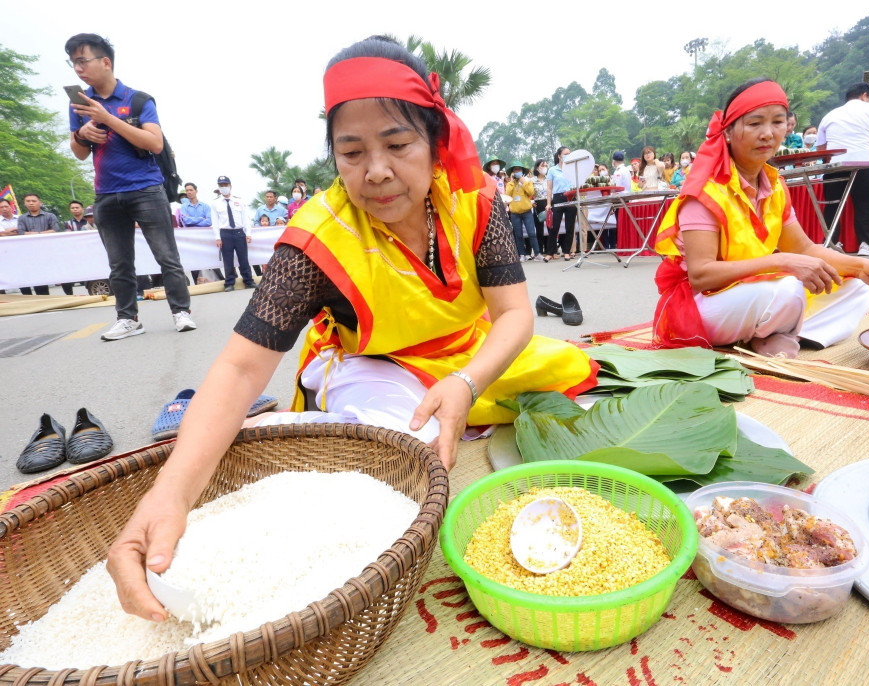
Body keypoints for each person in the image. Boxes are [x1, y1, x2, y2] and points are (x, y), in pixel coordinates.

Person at [105, 35, 597, 622]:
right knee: (404, 455)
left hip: (469, 357)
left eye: (397, 143)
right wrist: (169, 495)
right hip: (377, 364)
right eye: (352, 151)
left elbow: (515, 315)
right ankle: (287, 424)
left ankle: (426, 403)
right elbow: (240, 366)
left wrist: (466, 383)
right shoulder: (316, 240)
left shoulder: (477, 203)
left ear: (435, 142)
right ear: (333, 155)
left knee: (569, 370)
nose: (378, 171)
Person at [652, 78, 869, 358]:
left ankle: (775, 333)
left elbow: (804, 249)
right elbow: (701, 276)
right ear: (727, 132)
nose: (767, 134)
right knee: (787, 287)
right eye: (754, 124)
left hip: (753, 295)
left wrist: (862, 268)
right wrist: (782, 261)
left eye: (777, 122)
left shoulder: (774, 185)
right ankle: (776, 333)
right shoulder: (705, 191)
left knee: (856, 285)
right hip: (702, 307)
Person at [65, 33, 196, 341]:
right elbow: (79, 151)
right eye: (73, 63)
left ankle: (181, 312)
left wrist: (107, 119)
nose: (78, 69)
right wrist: (83, 133)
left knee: (167, 256)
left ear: (105, 62)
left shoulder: (137, 100)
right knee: (119, 263)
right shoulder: (79, 103)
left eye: (82, 61)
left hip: (146, 189)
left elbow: (153, 142)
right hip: (106, 193)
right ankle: (128, 319)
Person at [816, 82, 869, 256]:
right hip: (863, 162)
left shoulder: (830, 114)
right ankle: (866, 243)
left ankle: (831, 243)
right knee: (865, 203)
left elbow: (821, 147)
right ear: (865, 95)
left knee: (833, 204)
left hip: (835, 164)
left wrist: (831, 159)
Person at [210, 175, 255, 292]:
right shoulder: (215, 203)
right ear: (218, 187)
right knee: (228, 260)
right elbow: (215, 222)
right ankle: (229, 283)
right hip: (225, 233)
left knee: (243, 259)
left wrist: (248, 233)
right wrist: (217, 237)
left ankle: (248, 281)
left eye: (226, 185)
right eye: (221, 186)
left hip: (239, 232)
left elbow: (245, 218)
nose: (224, 187)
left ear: (230, 186)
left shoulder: (239, 201)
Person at [14, 193, 58, 295]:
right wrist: (42, 233)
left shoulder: (50, 216)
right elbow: (21, 232)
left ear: (40, 203)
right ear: (25, 204)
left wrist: (36, 234)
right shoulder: (22, 218)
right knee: (32, 276)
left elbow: (55, 230)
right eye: (28, 201)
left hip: (47, 251)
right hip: (29, 253)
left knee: (44, 278)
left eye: (34, 201)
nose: (31, 203)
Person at [179, 182, 222, 284]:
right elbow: (186, 221)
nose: (189, 192)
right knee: (194, 261)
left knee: (210, 259)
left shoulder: (205, 206)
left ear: (196, 191)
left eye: (191, 190)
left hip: (204, 238)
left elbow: (209, 221)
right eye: (187, 190)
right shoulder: (184, 207)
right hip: (191, 238)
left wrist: (193, 221)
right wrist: (200, 219)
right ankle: (196, 282)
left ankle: (219, 279)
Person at [545, 146, 577, 260]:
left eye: (569, 153)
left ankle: (566, 251)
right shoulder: (552, 170)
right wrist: (548, 203)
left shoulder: (573, 168)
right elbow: (549, 188)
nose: (568, 155)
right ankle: (550, 252)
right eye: (565, 153)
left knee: (570, 226)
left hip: (571, 197)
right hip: (558, 198)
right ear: (559, 156)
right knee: (554, 227)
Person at [504, 161, 540, 261]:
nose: (517, 171)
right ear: (512, 172)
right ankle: (522, 255)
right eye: (515, 169)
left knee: (532, 233)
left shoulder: (527, 181)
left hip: (527, 211)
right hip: (515, 213)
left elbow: (531, 192)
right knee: (518, 235)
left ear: (522, 171)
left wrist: (523, 182)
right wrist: (511, 180)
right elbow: (507, 195)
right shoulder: (510, 184)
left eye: (519, 169)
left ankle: (537, 253)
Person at [530, 159, 552, 260]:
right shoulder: (532, 180)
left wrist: (550, 203)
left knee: (550, 227)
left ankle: (551, 251)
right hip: (537, 204)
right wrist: (531, 202)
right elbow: (528, 193)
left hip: (548, 204)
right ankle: (539, 251)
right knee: (539, 229)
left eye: (546, 165)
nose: (545, 167)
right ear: (537, 168)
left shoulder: (549, 178)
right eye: (543, 165)